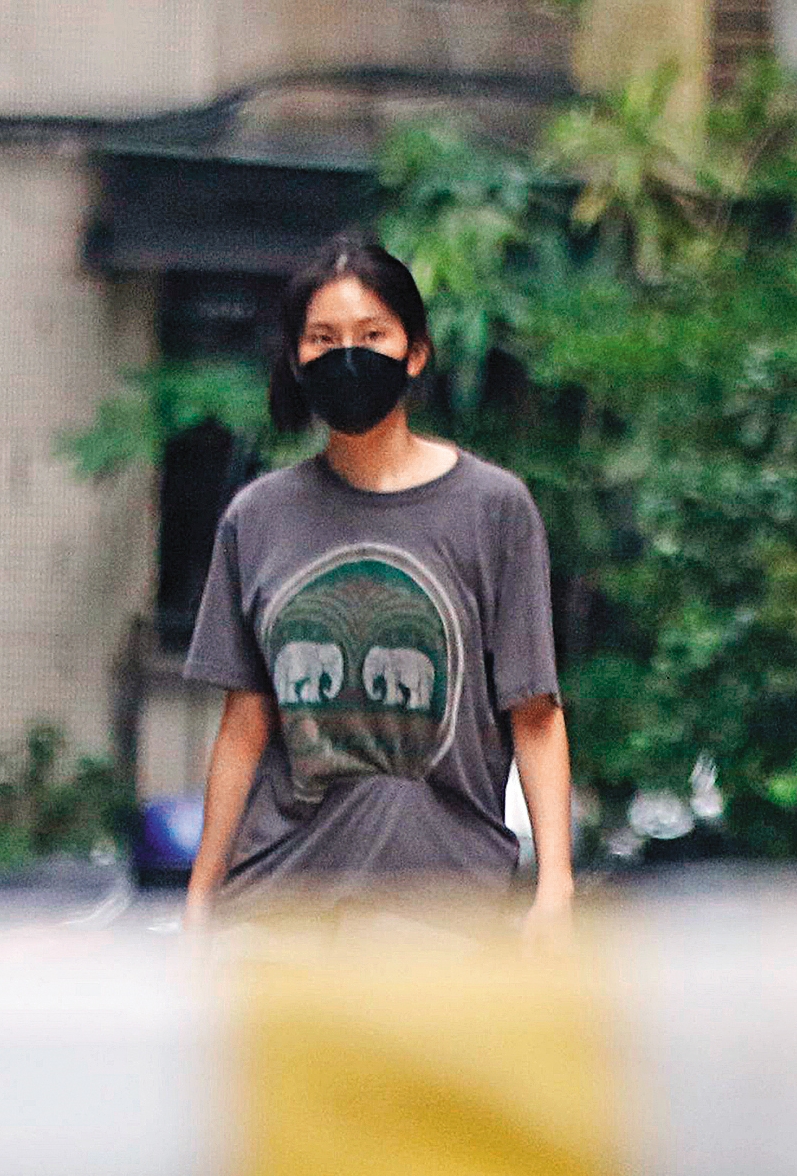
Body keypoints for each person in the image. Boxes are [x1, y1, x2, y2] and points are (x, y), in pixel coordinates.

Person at [182, 232, 574, 941]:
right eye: (322, 338)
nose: (347, 355)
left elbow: (535, 712)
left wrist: (556, 886)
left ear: (414, 352)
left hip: (440, 909)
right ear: (297, 361)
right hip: (278, 908)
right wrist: (200, 902)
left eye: (371, 334)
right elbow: (245, 724)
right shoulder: (257, 519)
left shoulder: (494, 509)